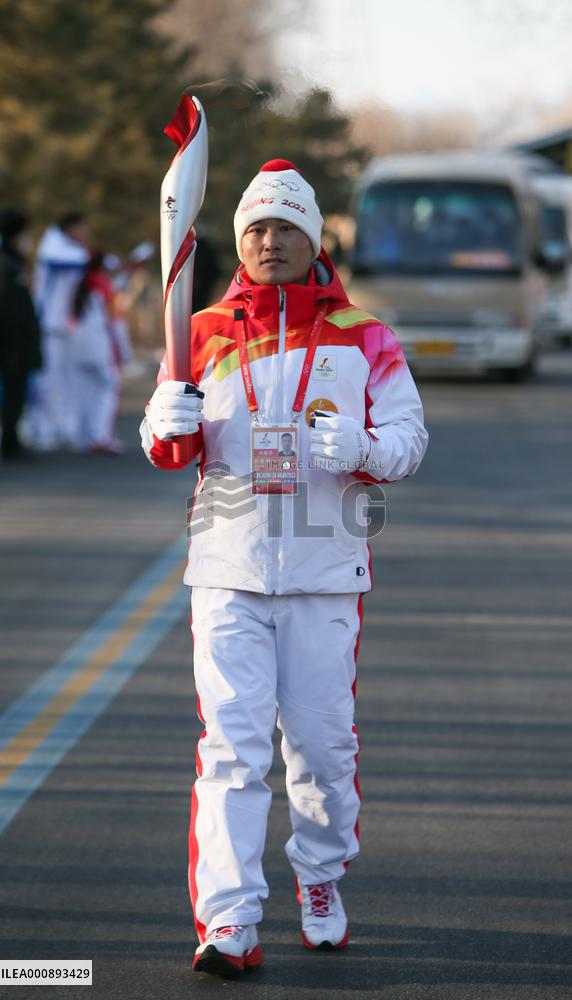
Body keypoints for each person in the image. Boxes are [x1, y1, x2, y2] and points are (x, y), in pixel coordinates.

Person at [140, 159, 428, 977]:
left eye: (286, 227)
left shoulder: (364, 333)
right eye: (257, 229)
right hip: (227, 569)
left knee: (322, 750)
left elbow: (410, 441)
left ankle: (319, 878)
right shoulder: (197, 332)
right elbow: (172, 453)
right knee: (231, 751)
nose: (271, 241)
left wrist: (368, 450)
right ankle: (227, 920)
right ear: (240, 242)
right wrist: (162, 422)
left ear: (313, 238)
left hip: (327, 572)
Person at [30, 213, 90, 449]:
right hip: (48, 326)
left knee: (68, 379)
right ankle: (41, 430)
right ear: (71, 228)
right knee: (47, 380)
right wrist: (91, 257)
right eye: (82, 228)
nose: (85, 233)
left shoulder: (71, 248)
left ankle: (64, 427)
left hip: (65, 327)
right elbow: (63, 261)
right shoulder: (52, 244)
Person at [69, 251, 132, 453]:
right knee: (109, 390)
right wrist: (123, 350)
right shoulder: (104, 285)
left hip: (78, 346)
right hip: (100, 346)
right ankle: (102, 438)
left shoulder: (81, 283)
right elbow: (114, 321)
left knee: (86, 392)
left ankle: (86, 438)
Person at [0, 210, 42, 461]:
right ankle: (10, 443)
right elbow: (9, 309)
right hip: (10, 344)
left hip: (14, 343)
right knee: (14, 393)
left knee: (17, 394)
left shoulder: (14, 261)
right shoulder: (7, 265)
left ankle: (12, 439)